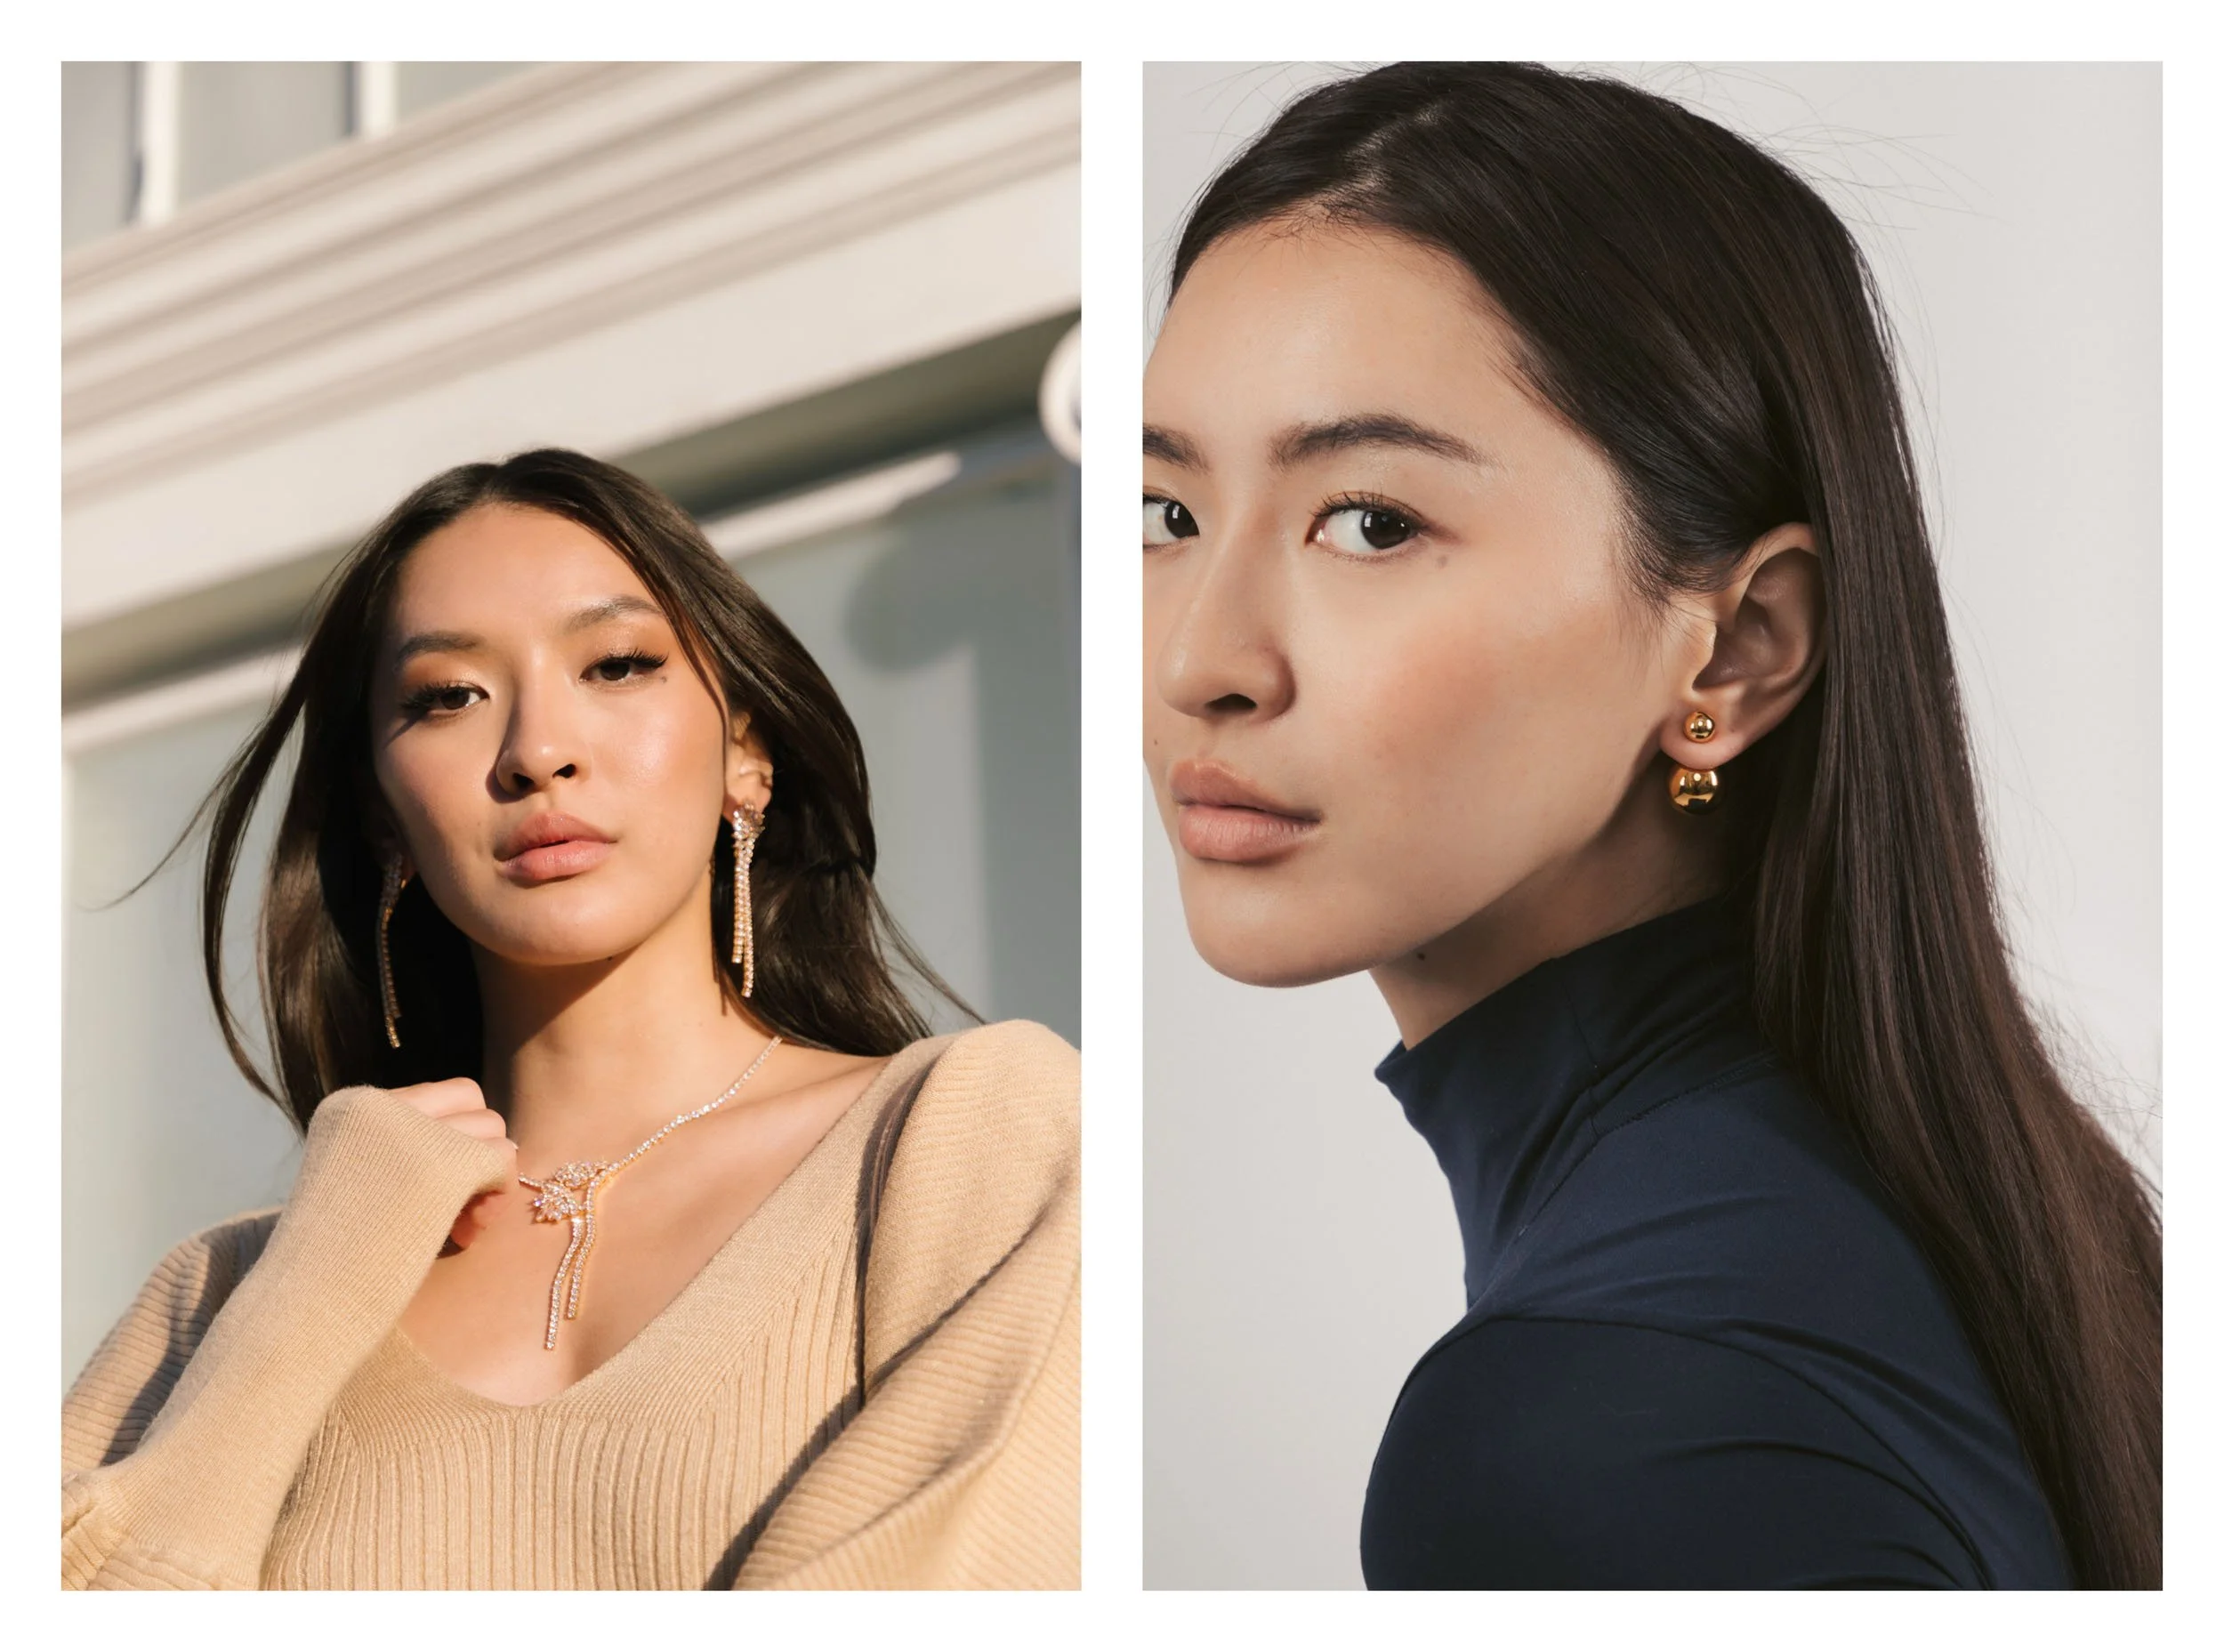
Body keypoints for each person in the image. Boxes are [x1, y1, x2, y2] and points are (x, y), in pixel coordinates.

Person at [1142, 61, 2158, 1589]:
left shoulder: (1595, 1426)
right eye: (1167, 515)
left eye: (1371, 520)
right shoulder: (1968, 1236)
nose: (1199, 662)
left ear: (1737, 648)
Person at [62, 449, 1080, 1590]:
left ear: (747, 751)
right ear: (383, 818)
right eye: (448, 697)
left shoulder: (967, 1140)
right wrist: (311, 1283)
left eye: (617, 664)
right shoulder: (222, 1291)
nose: (537, 750)